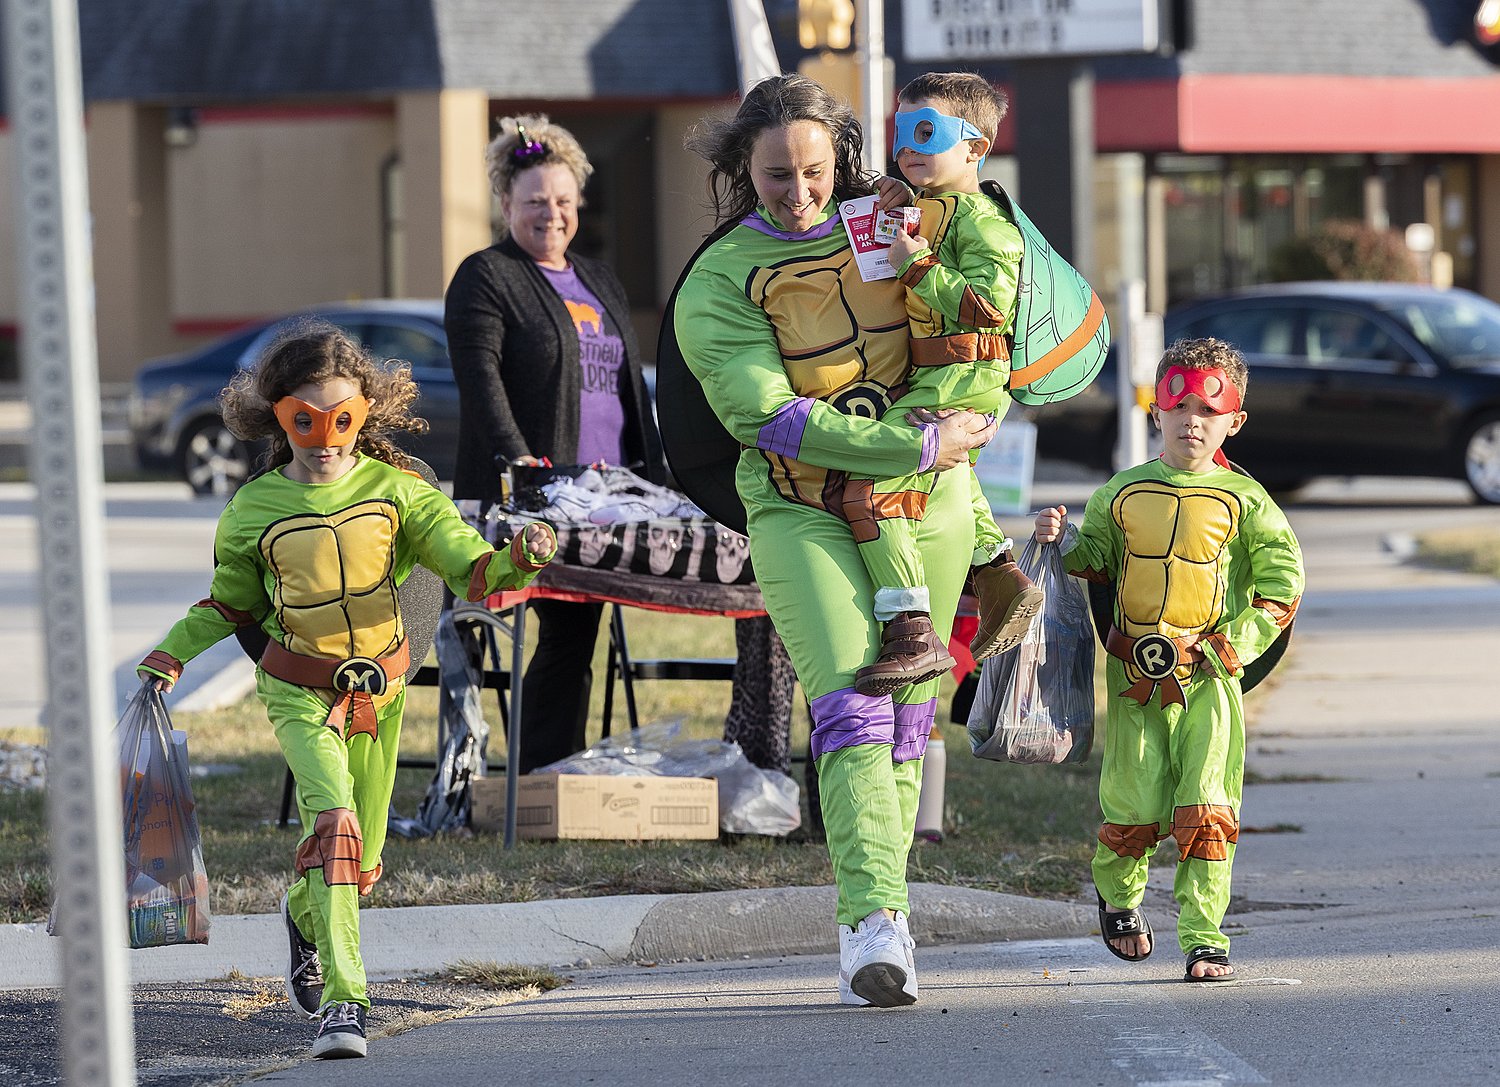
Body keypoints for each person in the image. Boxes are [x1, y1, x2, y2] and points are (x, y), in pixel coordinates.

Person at [137, 327, 557, 1058]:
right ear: (278, 415)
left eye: (343, 419)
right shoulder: (253, 508)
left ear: (367, 411)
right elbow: (230, 602)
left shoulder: (399, 493)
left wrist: (517, 559)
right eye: (306, 419)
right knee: (334, 828)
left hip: (382, 694)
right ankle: (344, 1002)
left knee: (358, 870)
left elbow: (472, 570)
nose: (326, 438)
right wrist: (171, 652)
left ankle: (305, 911)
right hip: (299, 693)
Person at [674, 74, 996, 1007]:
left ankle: (884, 905)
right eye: (777, 175)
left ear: (840, 158)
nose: (801, 191)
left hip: (925, 499)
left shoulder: (897, 223)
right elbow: (766, 417)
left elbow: (987, 320)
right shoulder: (720, 278)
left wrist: (974, 413)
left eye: (816, 170)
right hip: (799, 502)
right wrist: (918, 438)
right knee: (856, 696)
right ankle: (872, 921)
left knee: (908, 717)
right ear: (744, 167)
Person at [1032, 337, 1304, 982]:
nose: (1192, 420)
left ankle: (1205, 936)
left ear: (1233, 421)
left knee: (1208, 807)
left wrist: (1230, 646)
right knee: (1132, 801)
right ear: (1156, 411)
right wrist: (1059, 540)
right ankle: (1120, 898)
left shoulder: (1250, 502)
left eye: (1209, 411)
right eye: (1177, 405)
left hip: (1209, 680)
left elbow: (1282, 586)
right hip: (1133, 678)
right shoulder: (1121, 494)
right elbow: (1093, 561)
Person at [444, 114, 666, 774]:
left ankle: (549, 772)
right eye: (536, 201)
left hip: (603, 497)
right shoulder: (486, 276)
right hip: (518, 494)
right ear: (506, 203)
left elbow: (630, 387)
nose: (552, 214)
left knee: (573, 633)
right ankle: (474, 775)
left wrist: (653, 476)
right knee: (491, 633)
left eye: (564, 201)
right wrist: (521, 463)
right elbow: (481, 381)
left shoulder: (601, 280)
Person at [848, 71, 1043, 697]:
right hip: (939, 373)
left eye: (924, 132)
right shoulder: (933, 209)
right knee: (950, 474)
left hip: (963, 375)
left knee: (873, 475)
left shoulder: (986, 223)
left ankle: (913, 630)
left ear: (975, 148)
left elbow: (989, 307)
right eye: (900, 132)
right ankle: (999, 574)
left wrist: (919, 265)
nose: (907, 147)